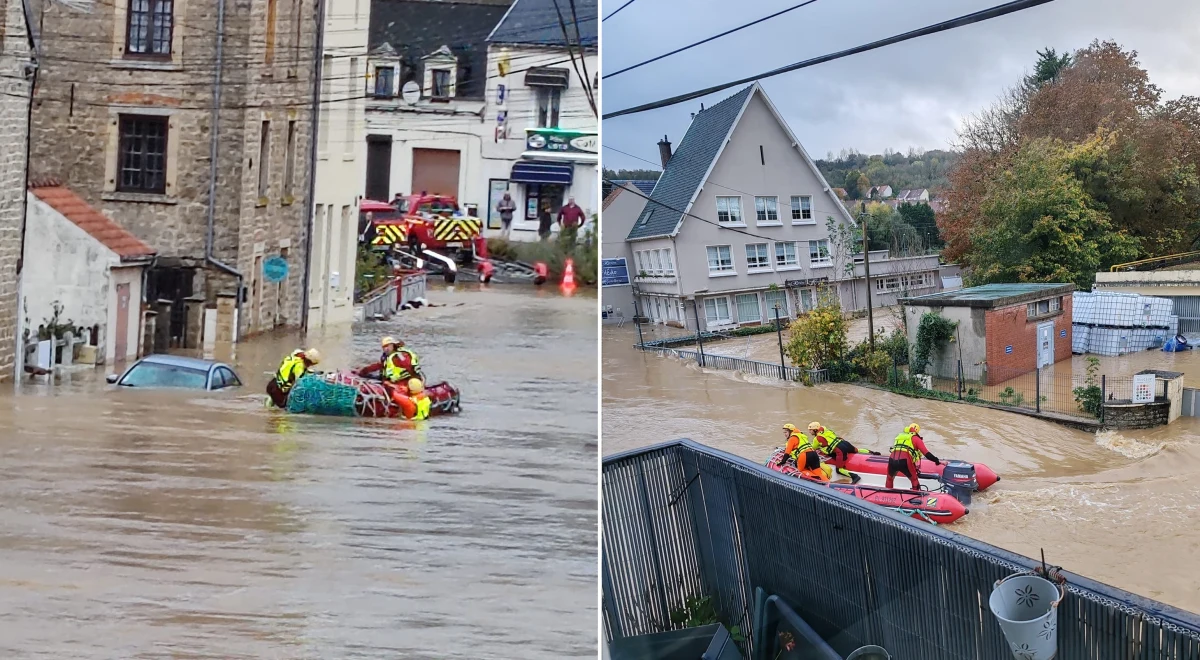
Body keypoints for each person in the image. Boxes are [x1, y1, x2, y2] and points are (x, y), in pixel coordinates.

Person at [808, 422, 880, 484]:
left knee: (839, 470)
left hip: (840, 450)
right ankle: (873, 453)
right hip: (845, 443)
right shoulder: (827, 430)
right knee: (857, 450)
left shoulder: (816, 439)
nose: (809, 432)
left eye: (810, 430)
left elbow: (813, 448)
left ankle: (855, 477)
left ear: (815, 430)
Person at [886, 423, 941, 491]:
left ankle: (887, 494)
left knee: (889, 478)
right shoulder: (916, 439)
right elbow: (927, 454)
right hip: (905, 460)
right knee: (914, 479)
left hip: (892, 459)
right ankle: (916, 495)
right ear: (917, 431)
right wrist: (937, 461)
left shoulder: (899, 437)